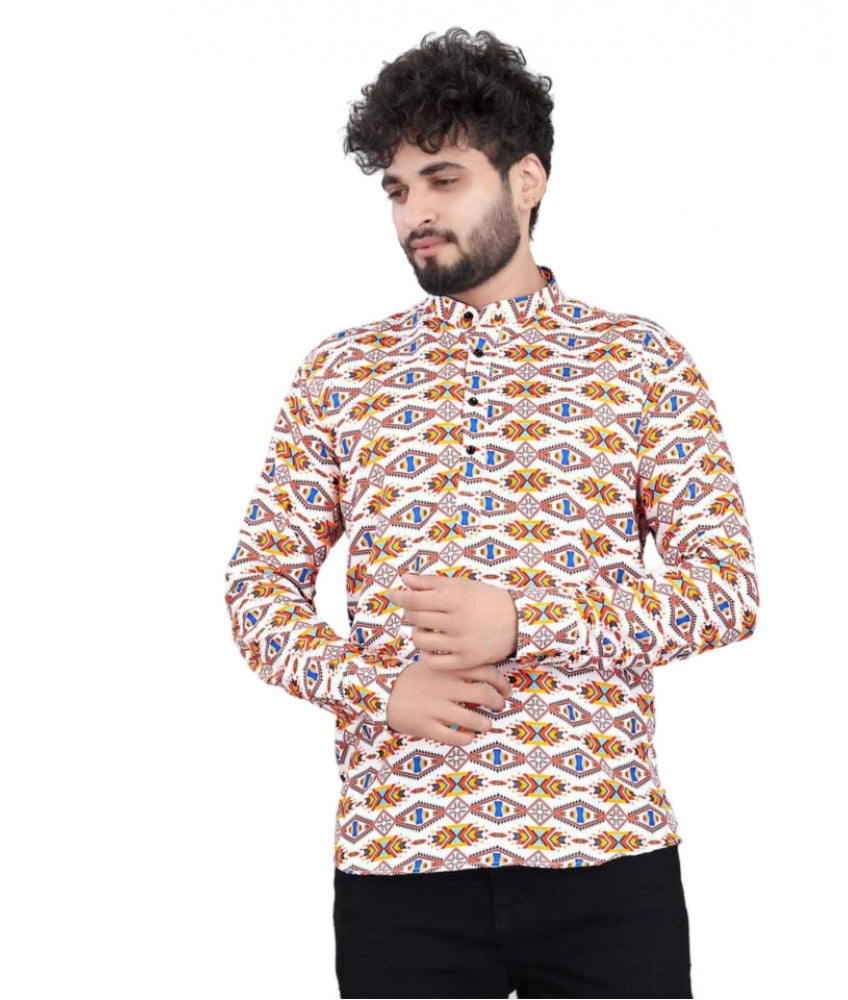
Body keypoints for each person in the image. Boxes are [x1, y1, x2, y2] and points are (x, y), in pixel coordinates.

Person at [224, 25, 759, 999]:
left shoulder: (639, 361)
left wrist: (527, 619)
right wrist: (375, 688)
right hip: (400, 858)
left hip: (607, 854)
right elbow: (257, 589)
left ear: (526, 180)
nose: (415, 213)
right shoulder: (341, 372)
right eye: (396, 189)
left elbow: (725, 592)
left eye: (443, 179)